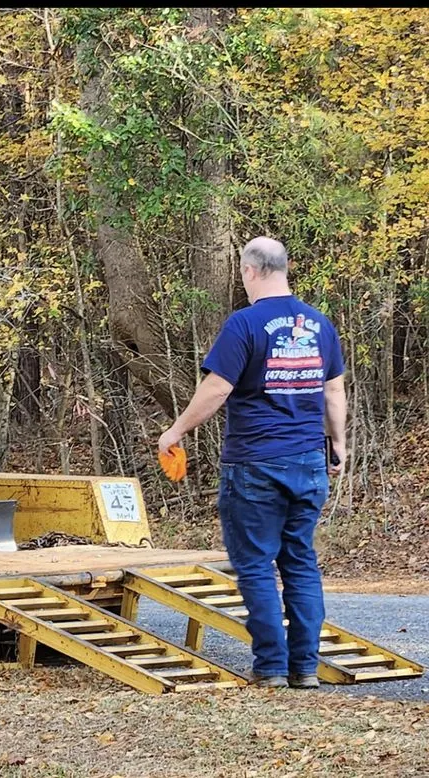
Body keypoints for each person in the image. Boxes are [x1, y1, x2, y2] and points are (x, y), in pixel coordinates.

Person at [158, 236, 347, 689]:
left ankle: (271, 668)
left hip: (255, 464)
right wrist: (337, 445)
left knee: (258, 565)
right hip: (308, 462)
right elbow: (334, 391)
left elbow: (217, 389)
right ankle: (305, 667)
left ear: (249, 271)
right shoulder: (320, 324)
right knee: (299, 561)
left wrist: (177, 431)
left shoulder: (244, 324)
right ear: (285, 267)